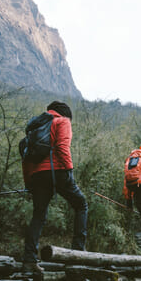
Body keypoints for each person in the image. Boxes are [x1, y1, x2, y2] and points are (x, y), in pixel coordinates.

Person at [22, 101, 88, 269]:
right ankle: (78, 253)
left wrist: (29, 182)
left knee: (39, 215)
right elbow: (62, 146)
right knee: (81, 205)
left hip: (37, 175)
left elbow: (26, 158)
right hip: (58, 170)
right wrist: (69, 170)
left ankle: (29, 259)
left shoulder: (35, 127)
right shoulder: (62, 121)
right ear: (65, 114)